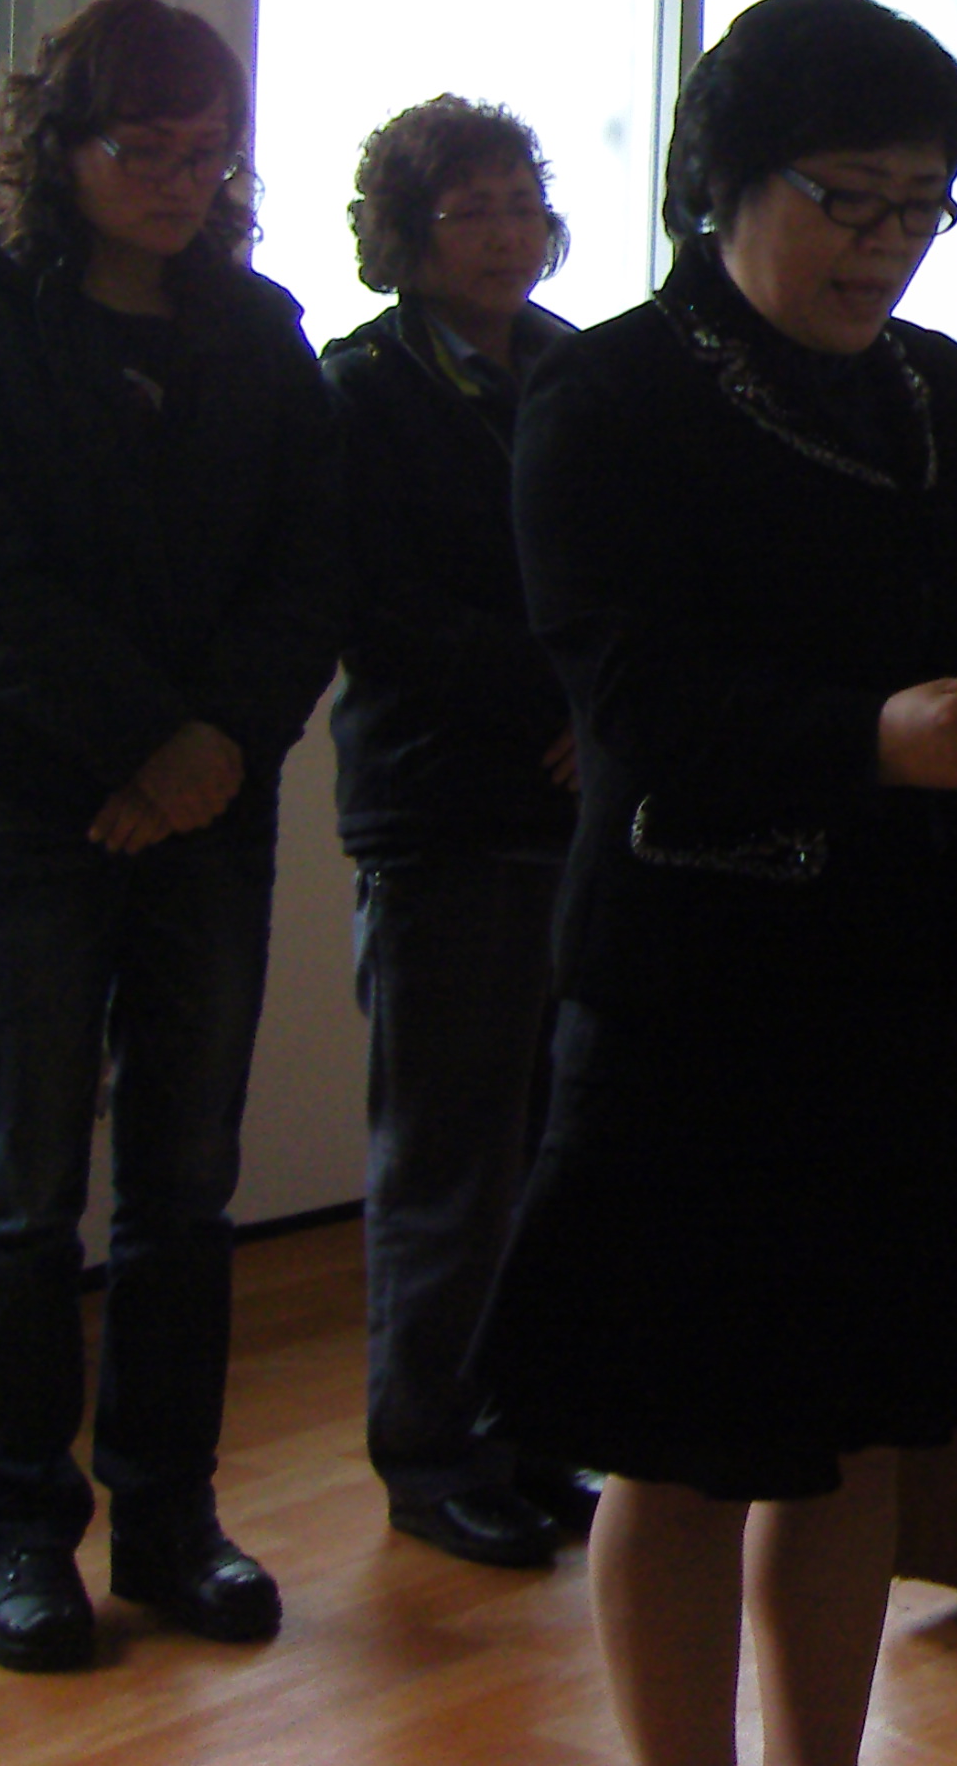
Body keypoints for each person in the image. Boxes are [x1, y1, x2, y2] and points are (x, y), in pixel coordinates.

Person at [468, 0, 957, 1766]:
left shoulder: (931, 386)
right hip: (690, 992)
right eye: (850, 198)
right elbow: (633, 699)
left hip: (890, 973)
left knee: (857, 1423)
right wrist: (871, 740)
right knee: (682, 1442)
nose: (888, 243)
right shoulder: (604, 392)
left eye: (922, 205)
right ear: (724, 180)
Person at [0, 0, 344, 1673]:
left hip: (209, 801)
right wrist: (147, 741)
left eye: (203, 153)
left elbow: (313, 560)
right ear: (58, 145)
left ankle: (167, 1518)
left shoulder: (258, 326)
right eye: (140, 149)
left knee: (185, 1185)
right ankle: (26, 1538)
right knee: (24, 1192)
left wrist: (211, 745)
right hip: (29, 793)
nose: (175, 181)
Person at [318, 95, 597, 1570]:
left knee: (558, 1149)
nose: (503, 235)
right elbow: (380, 609)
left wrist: (602, 708)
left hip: (581, 802)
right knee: (449, 1163)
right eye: (468, 210)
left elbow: (634, 569)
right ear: (405, 237)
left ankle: (533, 1433)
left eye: (520, 204)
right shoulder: (362, 388)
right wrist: (562, 691)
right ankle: (432, 1456)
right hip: (443, 808)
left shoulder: (574, 366)